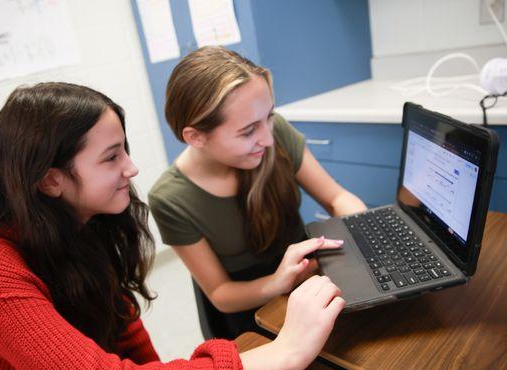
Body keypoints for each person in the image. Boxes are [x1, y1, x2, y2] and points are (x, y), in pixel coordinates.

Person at [0, 82, 346, 370]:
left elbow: (128, 344)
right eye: (111, 157)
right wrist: (285, 352)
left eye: (124, 150)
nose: (131, 168)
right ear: (51, 180)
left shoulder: (84, 226)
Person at [149, 46, 367, 340]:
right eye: (248, 130)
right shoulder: (170, 199)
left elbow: (336, 197)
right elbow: (220, 293)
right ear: (196, 136)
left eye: (269, 117)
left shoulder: (273, 133)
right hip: (248, 307)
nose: (267, 138)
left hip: (305, 276)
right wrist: (279, 282)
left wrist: (363, 229)